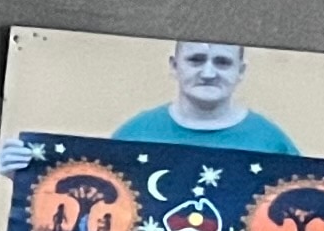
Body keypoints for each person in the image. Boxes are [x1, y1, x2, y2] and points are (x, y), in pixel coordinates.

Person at [114, 37, 297, 152]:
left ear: (240, 71)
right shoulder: (135, 135)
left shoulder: (271, 143)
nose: (208, 74)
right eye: (196, 60)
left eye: (222, 62)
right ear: (174, 66)